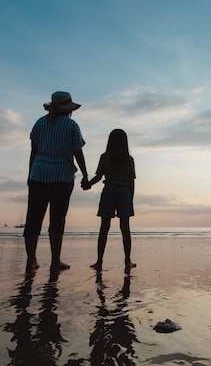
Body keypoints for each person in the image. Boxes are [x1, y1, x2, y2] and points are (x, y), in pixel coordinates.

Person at [23, 91, 89, 272]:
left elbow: (33, 152)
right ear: (68, 109)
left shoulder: (40, 123)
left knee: (33, 219)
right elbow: (78, 152)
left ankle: (31, 260)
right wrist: (85, 175)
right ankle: (55, 261)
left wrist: (30, 175)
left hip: (38, 176)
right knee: (57, 219)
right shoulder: (71, 125)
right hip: (62, 177)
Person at [82, 128, 136, 271]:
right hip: (124, 192)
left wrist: (88, 184)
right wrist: (131, 198)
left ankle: (99, 261)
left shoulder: (105, 157)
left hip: (109, 191)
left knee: (104, 227)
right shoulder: (129, 159)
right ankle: (127, 261)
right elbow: (131, 181)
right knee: (125, 228)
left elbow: (99, 176)